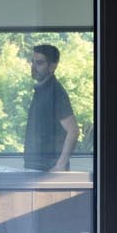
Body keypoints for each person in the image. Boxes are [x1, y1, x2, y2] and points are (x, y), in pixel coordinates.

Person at [24, 43, 80, 171]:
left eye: (39, 63)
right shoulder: (41, 89)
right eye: (32, 62)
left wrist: (60, 166)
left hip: (48, 170)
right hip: (36, 167)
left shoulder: (55, 92)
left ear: (52, 66)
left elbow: (73, 131)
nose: (33, 67)